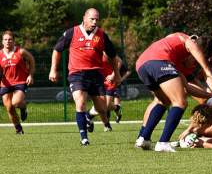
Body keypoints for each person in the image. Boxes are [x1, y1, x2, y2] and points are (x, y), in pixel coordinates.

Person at [134, 32, 212, 152]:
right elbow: (192, 45)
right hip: (158, 60)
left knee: (164, 100)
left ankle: (144, 138)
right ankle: (163, 142)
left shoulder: (176, 60)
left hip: (142, 65)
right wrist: (207, 71)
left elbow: (187, 87)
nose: (194, 64)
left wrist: (210, 95)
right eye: (195, 61)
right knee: (180, 102)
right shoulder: (188, 41)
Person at [49, 8, 120, 146]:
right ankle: (84, 137)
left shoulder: (101, 35)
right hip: (77, 73)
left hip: (96, 74)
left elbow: (112, 56)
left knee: (102, 108)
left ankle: (87, 118)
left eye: (96, 20)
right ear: (84, 18)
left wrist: (116, 73)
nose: (94, 22)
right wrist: (53, 69)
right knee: (80, 102)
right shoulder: (72, 32)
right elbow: (57, 49)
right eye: (92, 19)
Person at [0, 30, 35, 134]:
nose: (8, 41)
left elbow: (31, 59)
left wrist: (30, 75)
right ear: (2, 41)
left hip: (20, 81)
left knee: (16, 102)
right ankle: (18, 129)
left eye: (10, 39)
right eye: (5, 39)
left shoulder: (20, 51)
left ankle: (23, 107)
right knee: (9, 108)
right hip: (5, 83)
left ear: (14, 41)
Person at [87, 53, 125, 126]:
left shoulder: (105, 51)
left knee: (106, 106)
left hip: (108, 81)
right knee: (102, 106)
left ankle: (88, 115)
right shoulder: (90, 51)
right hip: (97, 81)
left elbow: (119, 61)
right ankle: (116, 108)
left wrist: (113, 75)